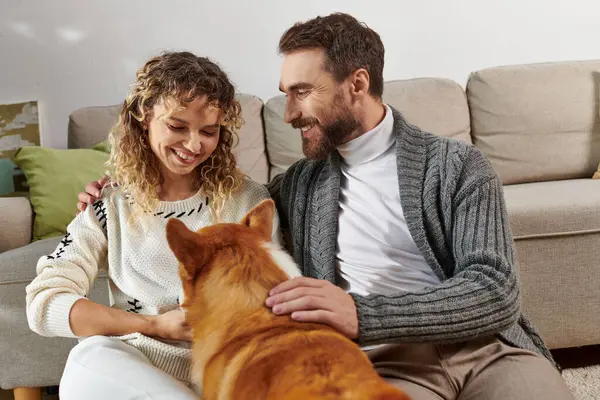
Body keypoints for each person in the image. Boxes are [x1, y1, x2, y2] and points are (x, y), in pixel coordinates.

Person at [78, 13, 575, 400]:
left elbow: (494, 290)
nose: (288, 112)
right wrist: (113, 192)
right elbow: (219, 224)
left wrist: (362, 311)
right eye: (285, 94)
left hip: (490, 349)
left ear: (356, 84)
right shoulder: (294, 187)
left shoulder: (459, 166)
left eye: (301, 93)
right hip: (382, 363)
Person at [27, 51, 281, 400]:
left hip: (222, 368)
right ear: (144, 117)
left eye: (209, 131)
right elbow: (44, 304)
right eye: (177, 126)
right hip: (133, 367)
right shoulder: (108, 207)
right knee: (87, 358)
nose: (194, 145)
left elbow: (273, 298)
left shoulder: (248, 200)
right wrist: (154, 325)